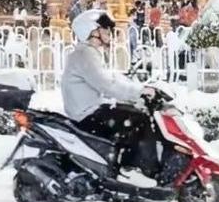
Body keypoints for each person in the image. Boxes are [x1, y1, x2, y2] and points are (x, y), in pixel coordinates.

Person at [62, 9, 159, 174]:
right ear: (92, 32)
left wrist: (137, 87)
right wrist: (139, 92)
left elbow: (111, 77)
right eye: (104, 29)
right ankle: (137, 170)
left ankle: (125, 165)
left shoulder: (87, 53)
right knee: (139, 119)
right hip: (87, 114)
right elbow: (107, 85)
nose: (109, 33)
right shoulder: (85, 54)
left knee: (131, 113)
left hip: (89, 110)